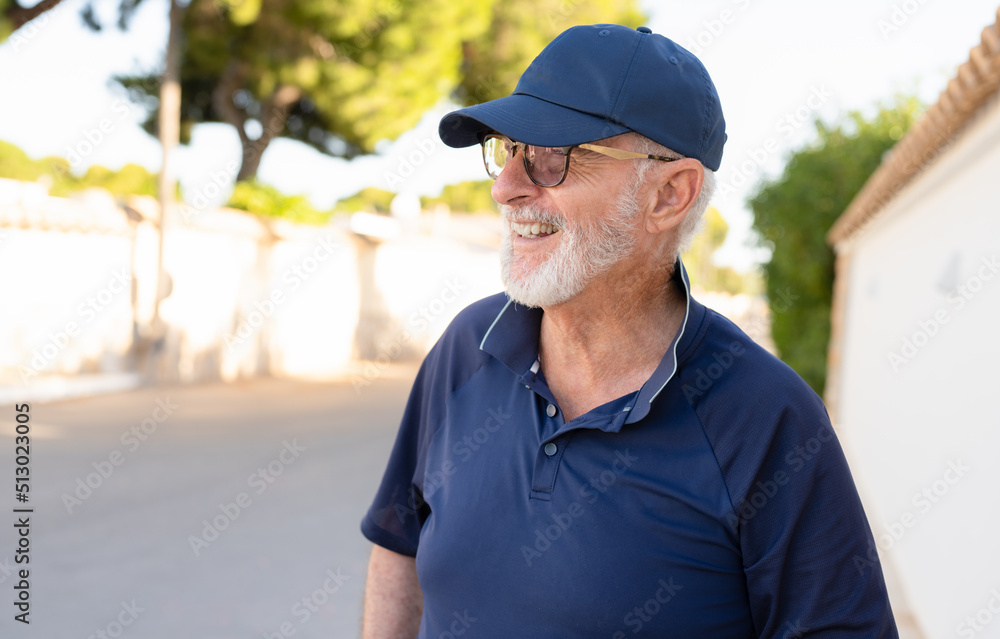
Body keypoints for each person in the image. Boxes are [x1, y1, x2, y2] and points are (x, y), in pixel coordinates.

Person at [360, 23, 898, 638]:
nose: (506, 187)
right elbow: (399, 543)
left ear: (670, 194)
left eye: (552, 157)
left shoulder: (766, 419)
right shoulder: (468, 346)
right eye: (508, 150)